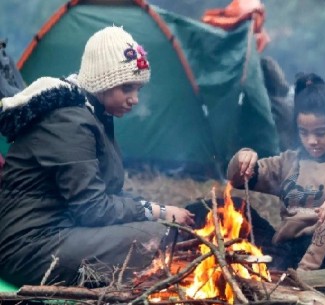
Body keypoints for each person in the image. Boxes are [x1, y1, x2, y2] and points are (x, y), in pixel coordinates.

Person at [0, 26, 195, 287]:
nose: (134, 99)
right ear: (103, 81)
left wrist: (152, 210)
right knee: (159, 238)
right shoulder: (70, 121)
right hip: (29, 246)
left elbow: (104, 195)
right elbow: (92, 208)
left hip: (61, 230)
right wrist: (157, 212)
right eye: (127, 88)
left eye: (137, 89)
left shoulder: (90, 112)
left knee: (167, 235)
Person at [227, 73, 325, 271]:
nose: (312, 141)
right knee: (233, 206)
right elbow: (239, 180)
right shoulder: (289, 161)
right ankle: (280, 271)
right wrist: (243, 158)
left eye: (320, 133)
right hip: (288, 248)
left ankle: (304, 278)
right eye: (304, 133)